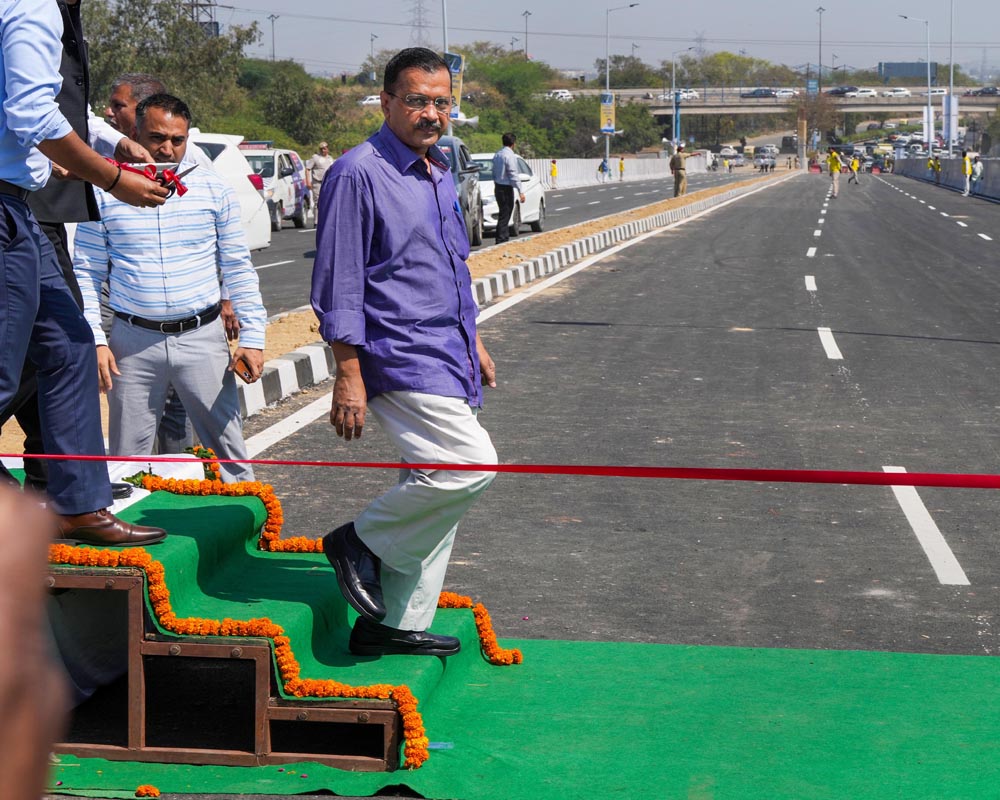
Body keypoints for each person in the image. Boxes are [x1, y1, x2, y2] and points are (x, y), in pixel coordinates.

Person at [311, 47, 498, 658]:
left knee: (431, 488)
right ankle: (358, 541)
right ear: (386, 100)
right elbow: (338, 282)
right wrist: (348, 376)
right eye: (417, 100)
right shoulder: (357, 172)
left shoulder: (438, 169)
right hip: (399, 352)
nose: (431, 113)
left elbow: (445, 268)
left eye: (441, 102)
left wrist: (474, 342)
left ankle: (391, 622)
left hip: (447, 350)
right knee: (469, 465)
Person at [0, 0, 170, 546]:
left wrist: (107, 143)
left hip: (21, 206)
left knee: (72, 346)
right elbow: (31, 113)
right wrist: (113, 178)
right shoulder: (33, 6)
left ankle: (77, 504)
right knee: (5, 369)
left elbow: (48, 110)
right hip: (4, 209)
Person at [73, 94, 266, 483]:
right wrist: (95, 340)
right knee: (126, 464)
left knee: (230, 459)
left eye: (177, 139)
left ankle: (251, 535)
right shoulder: (103, 192)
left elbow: (238, 268)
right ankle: (130, 543)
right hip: (132, 344)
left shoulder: (214, 190)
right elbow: (86, 273)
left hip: (203, 340)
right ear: (133, 133)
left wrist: (254, 336)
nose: (167, 148)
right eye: (156, 137)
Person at [491, 132, 526, 244]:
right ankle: (501, 238)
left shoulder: (497, 154)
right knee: (506, 213)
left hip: (498, 186)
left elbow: (494, 171)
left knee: (503, 212)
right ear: (513, 144)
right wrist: (520, 191)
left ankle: (503, 236)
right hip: (506, 188)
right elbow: (513, 173)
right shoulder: (510, 156)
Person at [305, 141, 334, 225]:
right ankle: (316, 221)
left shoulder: (330, 159)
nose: (323, 150)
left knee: (328, 201)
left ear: (327, 149)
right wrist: (308, 181)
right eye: (321, 149)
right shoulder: (315, 157)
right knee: (317, 202)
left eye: (324, 149)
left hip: (328, 182)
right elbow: (307, 169)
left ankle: (327, 220)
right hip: (317, 182)